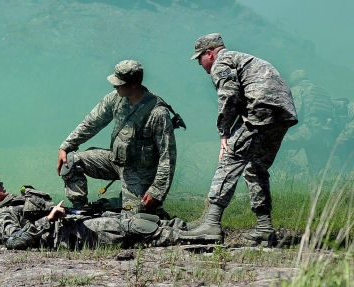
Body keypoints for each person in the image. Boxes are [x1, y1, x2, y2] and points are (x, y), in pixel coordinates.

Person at [181, 34, 298, 245]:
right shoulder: (243, 58)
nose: (200, 63)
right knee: (256, 168)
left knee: (229, 160)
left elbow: (228, 96)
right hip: (282, 115)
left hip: (260, 110)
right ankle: (264, 228)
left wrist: (224, 132)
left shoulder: (222, 62)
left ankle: (211, 224)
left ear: (210, 53)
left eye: (200, 58)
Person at [56, 60, 183, 215]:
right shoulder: (115, 98)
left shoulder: (158, 113)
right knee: (70, 161)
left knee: (134, 218)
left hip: (139, 173)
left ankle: (133, 207)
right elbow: (92, 123)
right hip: (115, 161)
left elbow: (167, 157)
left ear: (134, 84)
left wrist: (157, 191)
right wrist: (66, 145)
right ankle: (80, 211)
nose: (114, 86)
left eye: (119, 83)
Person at [0, 173, 184, 251]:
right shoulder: (0, 216)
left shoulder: (5, 208)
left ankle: (185, 229)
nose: (2, 184)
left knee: (130, 220)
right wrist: (49, 219)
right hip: (64, 235)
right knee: (128, 227)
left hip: (71, 224)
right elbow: (15, 241)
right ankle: (188, 237)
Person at [282, 69, 337, 176]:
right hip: (325, 134)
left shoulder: (297, 89)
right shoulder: (321, 90)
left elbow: (292, 113)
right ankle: (319, 190)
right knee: (317, 172)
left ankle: (283, 174)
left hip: (308, 131)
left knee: (274, 142)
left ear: (294, 81)